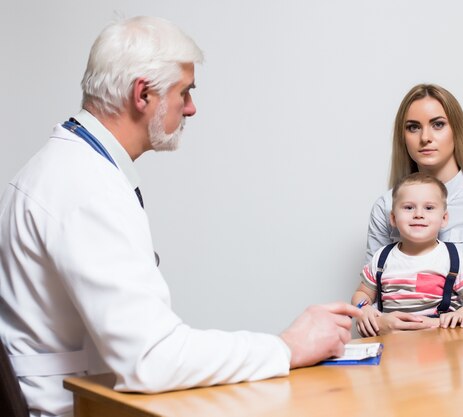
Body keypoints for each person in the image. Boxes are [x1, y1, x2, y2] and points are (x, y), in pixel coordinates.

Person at [0, 16, 360, 417]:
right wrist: (288, 347)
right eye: (184, 92)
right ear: (143, 94)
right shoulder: (86, 187)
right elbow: (151, 360)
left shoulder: (61, 168)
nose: (191, 108)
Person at [365, 83, 463, 333]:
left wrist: (445, 325)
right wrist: (375, 319)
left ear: (456, 131)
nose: (425, 137)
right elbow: (370, 298)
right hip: (397, 355)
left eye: (438, 124)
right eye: (413, 127)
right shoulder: (385, 207)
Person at [353, 173, 463, 336]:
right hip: (392, 345)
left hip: (440, 343)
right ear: (394, 219)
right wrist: (363, 309)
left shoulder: (452, 257)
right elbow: (362, 293)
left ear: (444, 218)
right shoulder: (382, 258)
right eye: (409, 207)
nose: (418, 214)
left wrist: (461, 314)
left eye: (429, 208)